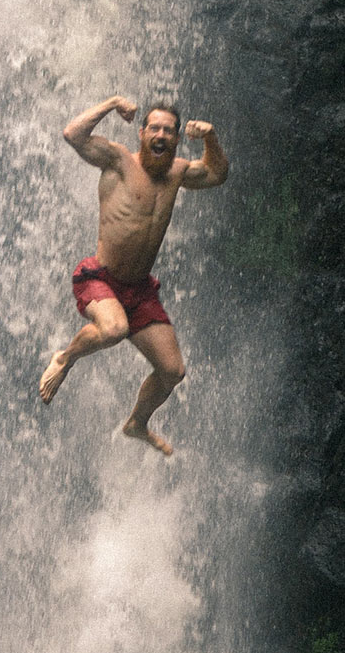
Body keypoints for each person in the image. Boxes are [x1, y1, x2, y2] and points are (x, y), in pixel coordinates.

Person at [37, 95, 229, 455]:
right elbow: (73, 134)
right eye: (153, 128)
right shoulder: (118, 161)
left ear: (175, 139)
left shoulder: (179, 173)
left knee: (172, 371)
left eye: (168, 131)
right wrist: (110, 104)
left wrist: (211, 137)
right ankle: (64, 358)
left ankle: (137, 423)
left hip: (139, 290)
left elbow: (218, 174)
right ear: (141, 133)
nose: (160, 135)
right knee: (113, 329)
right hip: (101, 278)